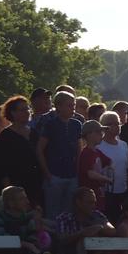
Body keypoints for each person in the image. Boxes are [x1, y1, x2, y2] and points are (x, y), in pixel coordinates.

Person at [0, 95, 42, 204]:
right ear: (13, 113)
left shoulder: (34, 132)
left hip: (36, 182)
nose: (27, 112)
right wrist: (7, 186)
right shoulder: (6, 136)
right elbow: (1, 163)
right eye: (22, 110)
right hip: (17, 183)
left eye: (28, 108)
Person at [36, 91, 82, 219]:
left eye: (74, 105)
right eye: (69, 105)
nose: (73, 108)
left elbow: (79, 148)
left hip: (72, 175)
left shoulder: (76, 124)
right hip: (54, 175)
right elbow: (39, 149)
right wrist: (47, 174)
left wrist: (77, 170)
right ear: (59, 106)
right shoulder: (50, 124)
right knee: (53, 212)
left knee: (69, 212)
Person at [0, 185, 53, 254]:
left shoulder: (27, 219)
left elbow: (32, 239)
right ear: (11, 203)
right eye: (22, 199)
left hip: (25, 253)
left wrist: (30, 245)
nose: (27, 202)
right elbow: (1, 239)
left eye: (26, 198)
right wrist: (25, 244)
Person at [54, 187, 114, 254]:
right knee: (84, 237)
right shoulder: (64, 218)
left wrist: (99, 228)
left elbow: (112, 230)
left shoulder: (97, 215)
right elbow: (61, 239)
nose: (93, 206)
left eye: (94, 202)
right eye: (90, 203)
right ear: (78, 203)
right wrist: (82, 233)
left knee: (98, 236)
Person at [96, 110, 128, 221]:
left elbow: (127, 168)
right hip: (106, 192)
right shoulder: (98, 146)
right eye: (113, 123)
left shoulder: (124, 145)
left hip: (123, 191)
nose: (117, 126)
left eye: (118, 123)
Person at [76, 119, 113, 208]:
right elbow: (90, 173)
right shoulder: (86, 153)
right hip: (88, 195)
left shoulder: (97, 151)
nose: (101, 135)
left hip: (99, 192)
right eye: (98, 132)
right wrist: (106, 179)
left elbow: (109, 162)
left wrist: (108, 171)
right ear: (89, 135)